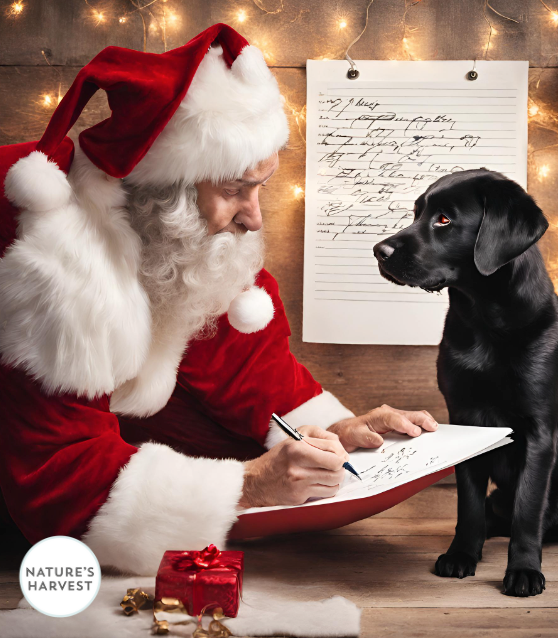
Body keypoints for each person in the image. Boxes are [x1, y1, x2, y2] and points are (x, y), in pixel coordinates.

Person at [0, 24, 436, 576]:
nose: (255, 217)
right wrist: (250, 485)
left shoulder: (176, 235)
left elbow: (242, 360)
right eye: (233, 190)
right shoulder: (52, 269)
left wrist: (334, 433)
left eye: (260, 187)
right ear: (164, 193)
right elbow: (57, 481)